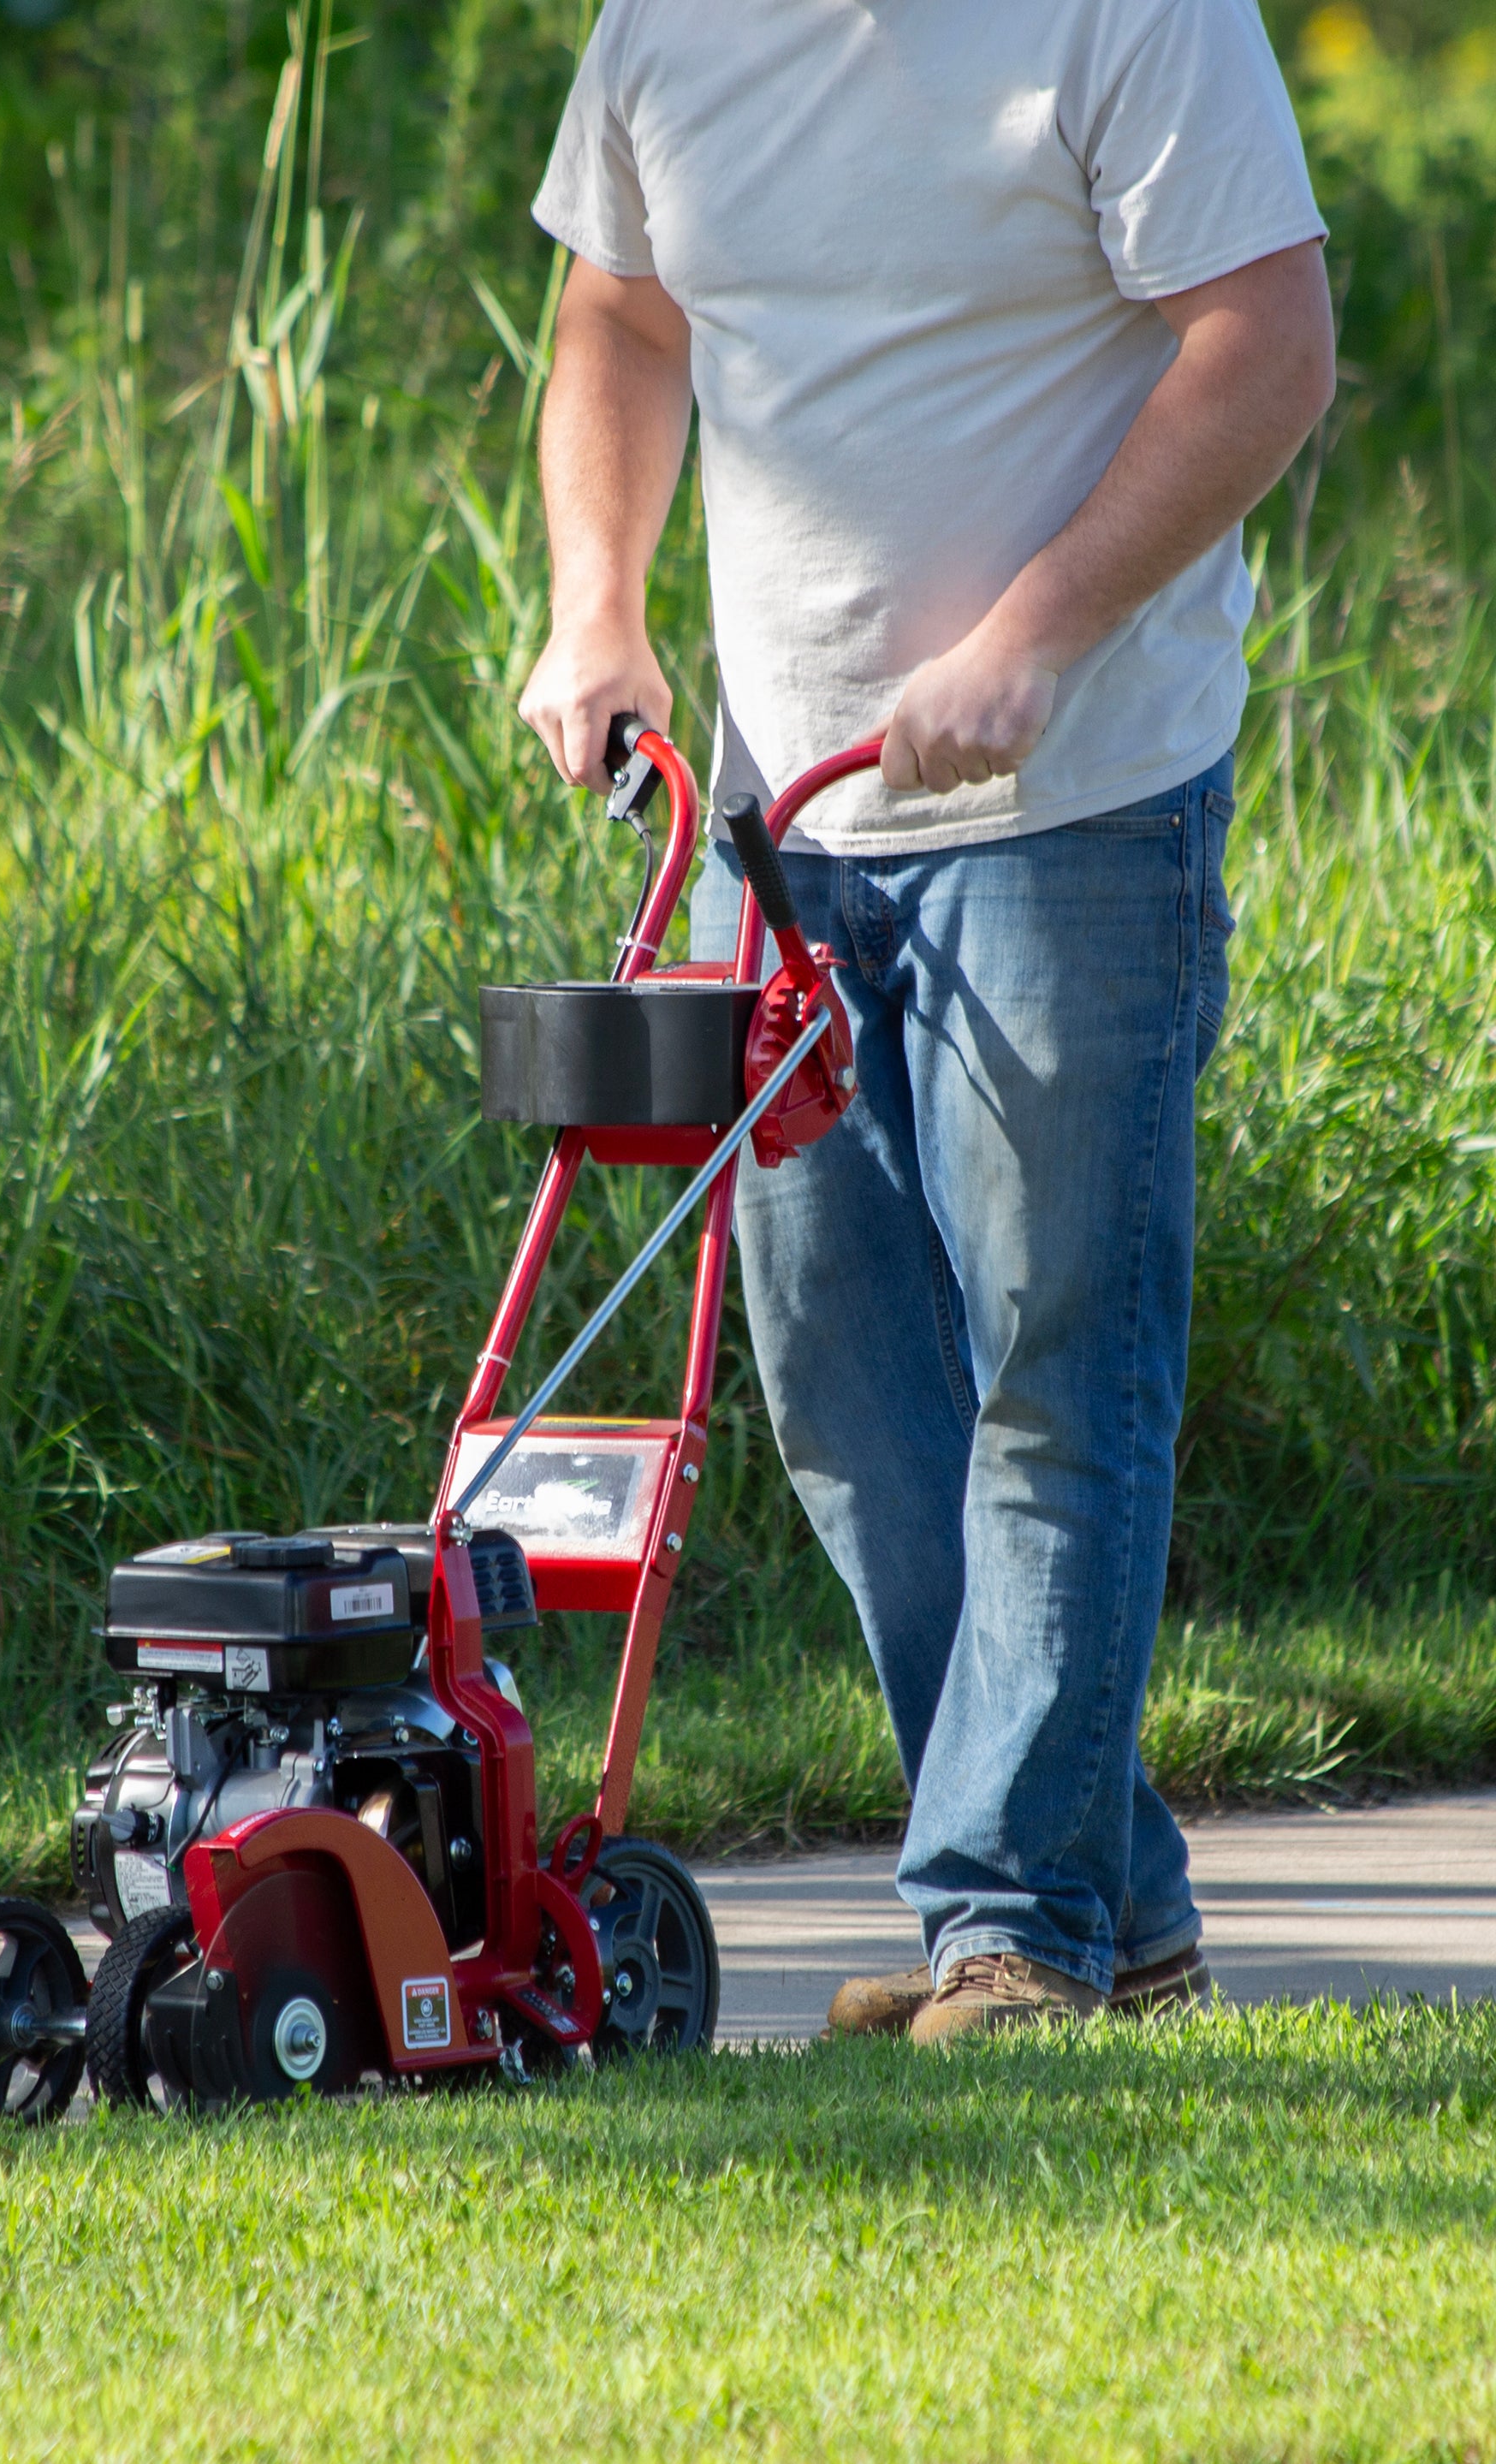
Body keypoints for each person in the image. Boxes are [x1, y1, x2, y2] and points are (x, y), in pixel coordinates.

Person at [517, 0, 1335, 2040]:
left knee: (1060, 1360)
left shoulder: (1132, 15)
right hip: (778, 821)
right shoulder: (668, 29)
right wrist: (594, 603)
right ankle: (1112, 1908)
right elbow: (619, 319)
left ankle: (1010, 1929)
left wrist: (1038, 633)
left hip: (1072, 800)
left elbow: (1268, 345)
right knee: (848, 1393)